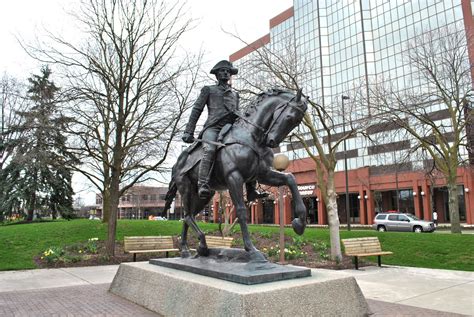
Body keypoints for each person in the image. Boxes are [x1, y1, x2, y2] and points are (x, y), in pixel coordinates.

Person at [182, 60, 266, 201]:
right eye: (222, 70)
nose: (226, 73)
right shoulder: (208, 90)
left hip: (231, 128)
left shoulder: (235, 94)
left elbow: (237, 114)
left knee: (249, 149)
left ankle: (251, 190)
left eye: (228, 71)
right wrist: (188, 131)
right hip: (213, 128)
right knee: (209, 149)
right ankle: (203, 184)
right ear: (216, 74)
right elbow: (197, 109)